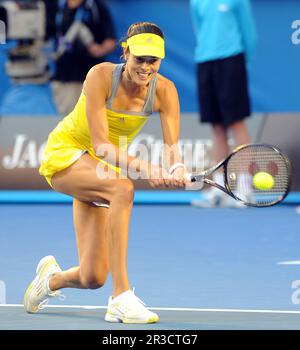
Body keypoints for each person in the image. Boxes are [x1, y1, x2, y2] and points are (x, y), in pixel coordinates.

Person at [23, 22, 188, 324]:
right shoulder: (100, 76)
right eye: (140, 58)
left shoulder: (166, 91)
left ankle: (49, 280)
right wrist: (147, 168)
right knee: (122, 189)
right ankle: (121, 297)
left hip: (99, 171)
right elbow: (100, 146)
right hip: (67, 153)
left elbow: (172, 151)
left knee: (92, 276)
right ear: (125, 53)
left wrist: (176, 168)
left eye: (154, 60)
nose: (146, 67)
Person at [190, 0, 257, 207]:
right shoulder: (195, 2)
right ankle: (219, 188)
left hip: (232, 60)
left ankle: (245, 189)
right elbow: (199, 29)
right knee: (216, 127)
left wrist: (243, 63)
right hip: (205, 62)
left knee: (236, 124)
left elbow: (250, 34)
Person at [50, 0, 116, 116]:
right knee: (67, 121)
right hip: (64, 78)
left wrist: (98, 50)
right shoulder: (57, 6)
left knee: (94, 120)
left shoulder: (95, 7)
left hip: (92, 78)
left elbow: (110, 41)